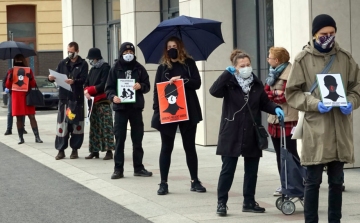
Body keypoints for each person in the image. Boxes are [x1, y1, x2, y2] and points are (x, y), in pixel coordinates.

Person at [285, 14, 360, 223]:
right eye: (323, 34)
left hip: (340, 129)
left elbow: (357, 87)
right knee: (313, 181)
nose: (328, 37)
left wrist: (351, 102)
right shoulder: (302, 59)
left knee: (337, 182)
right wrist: (314, 104)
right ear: (315, 34)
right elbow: (292, 93)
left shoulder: (345, 57)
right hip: (316, 129)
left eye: (332, 33)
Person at [210, 49, 284, 216]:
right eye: (242, 66)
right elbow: (213, 91)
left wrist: (276, 108)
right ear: (235, 67)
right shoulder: (229, 83)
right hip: (231, 132)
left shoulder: (256, 84)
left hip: (252, 132)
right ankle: (221, 203)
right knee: (227, 169)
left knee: (252, 170)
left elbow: (265, 103)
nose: (246, 68)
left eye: (248, 65)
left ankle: (249, 201)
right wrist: (225, 75)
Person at [151, 36, 206, 195]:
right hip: (168, 111)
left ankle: (195, 181)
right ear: (166, 49)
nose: (172, 48)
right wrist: (158, 109)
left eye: (174, 46)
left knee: (189, 147)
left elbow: (197, 83)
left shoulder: (189, 63)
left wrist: (182, 80)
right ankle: (163, 183)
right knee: (166, 147)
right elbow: (157, 90)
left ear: (180, 47)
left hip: (187, 110)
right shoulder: (162, 67)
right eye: (169, 47)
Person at [105, 42, 152, 179]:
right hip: (120, 109)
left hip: (136, 108)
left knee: (137, 139)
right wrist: (113, 97)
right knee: (119, 140)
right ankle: (118, 169)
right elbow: (108, 88)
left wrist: (141, 86)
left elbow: (147, 85)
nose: (128, 55)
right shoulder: (115, 69)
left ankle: (138, 167)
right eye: (125, 53)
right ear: (121, 54)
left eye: (131, 52)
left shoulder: (139, 68)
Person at [264, 47, 299, 196]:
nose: (268, 59)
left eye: (269, 57)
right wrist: (274, 93)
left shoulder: (290, 74)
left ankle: (296, 182)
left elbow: (285, 97)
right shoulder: (273, 73)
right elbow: (264, 93)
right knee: (279, 154)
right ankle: (284, 183)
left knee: (290, 153)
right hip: (274, 119)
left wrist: (274, 95)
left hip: (288, 119)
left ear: (277, 60)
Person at [48, 42, 88, 160]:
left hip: (76, 99)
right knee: (62, 124)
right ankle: (61, 150)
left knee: (76, 124)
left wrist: (74, 81)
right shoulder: (63, 63)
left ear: (77, 51)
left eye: (72, 51)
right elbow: (55, 75)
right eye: (68, 51)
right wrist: (50, 78)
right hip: (64, 98)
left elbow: (85, 79)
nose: (70, 54)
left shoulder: (83, 64)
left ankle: (75, 149)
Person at [84, 48, 114, 160]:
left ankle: (109, 150)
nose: (90, 61)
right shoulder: (92, 70)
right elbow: (86, 82)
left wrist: (89, 90)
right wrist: (86, 90)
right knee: (94, 127)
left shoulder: (105, 67)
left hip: (103, 101)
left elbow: (103, 85)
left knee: (106, 127)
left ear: (96, 58)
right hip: (92, 102)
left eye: (91, 59)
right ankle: (94, 150)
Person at [5, 54, 42, 144]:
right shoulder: (11, 71)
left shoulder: (28, 70)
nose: (19, 62)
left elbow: (33, 84)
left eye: (20, 60)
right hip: (17, 98)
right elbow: (8, 86)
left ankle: (37, 137)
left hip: (27, 96)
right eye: (17, 60)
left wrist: (30, 78)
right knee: (19, 118)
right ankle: (21, 138)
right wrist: (10, 79)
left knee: (32, 117)